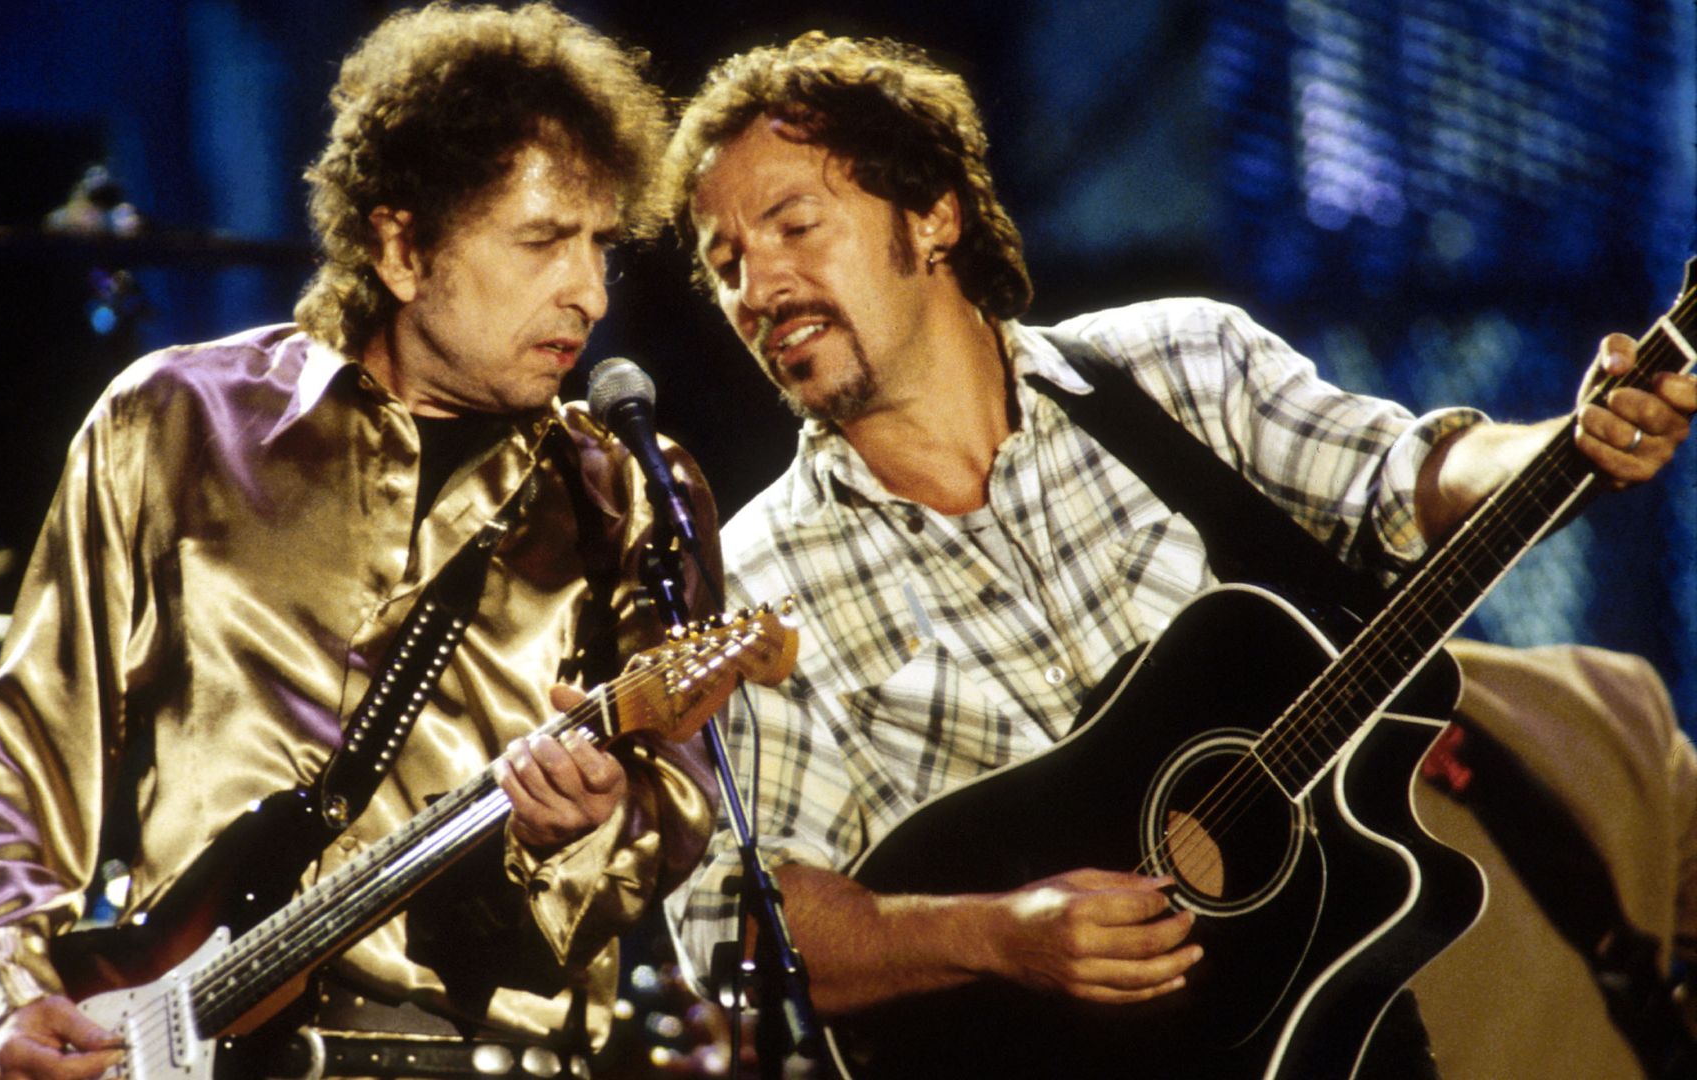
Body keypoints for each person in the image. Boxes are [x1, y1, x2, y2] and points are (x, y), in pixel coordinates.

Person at [656, 30, 1695, 1077]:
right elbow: (739, 926)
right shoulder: (754, 585)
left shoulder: (1179, 366)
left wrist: (1566, 446)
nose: (761, 287)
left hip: (1358, 1010)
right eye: (726, 263)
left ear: (933, 215)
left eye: (795, 225)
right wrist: (997, 935)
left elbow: (1403, 481)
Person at [0, 5, 721, 1078]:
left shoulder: (631, 492)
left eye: (601, 246)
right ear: (400, 244)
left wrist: (590, 828)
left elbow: (684, 800)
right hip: (177, 1045)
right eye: (541, 242)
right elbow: (24, 773)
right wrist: (8, 993)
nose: (589, 291)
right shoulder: (173, 424)